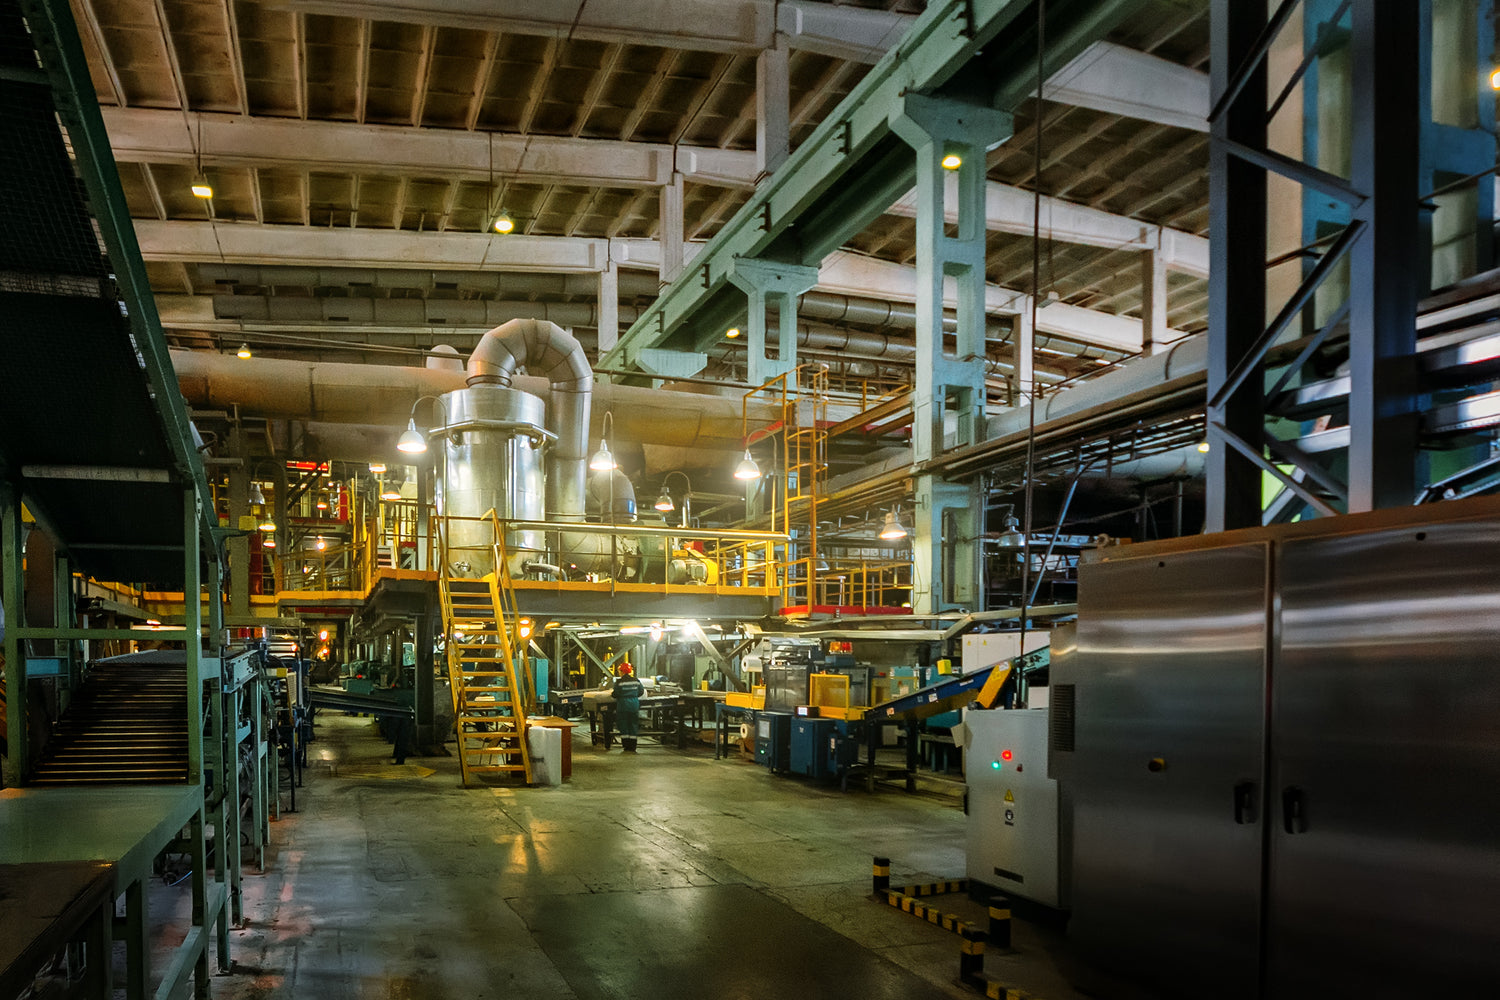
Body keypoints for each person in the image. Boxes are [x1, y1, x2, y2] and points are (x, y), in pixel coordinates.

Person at [610, 664, 644, 753]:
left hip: (623, 705)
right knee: (633, 724)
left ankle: (626, 746)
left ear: (622, 671)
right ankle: (633, 746)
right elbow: (641, 691)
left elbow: (615, 694)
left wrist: (613, 694)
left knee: (623, 724)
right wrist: (633, 695)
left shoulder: (619, 682)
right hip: (634, 704)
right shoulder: (636, 681)